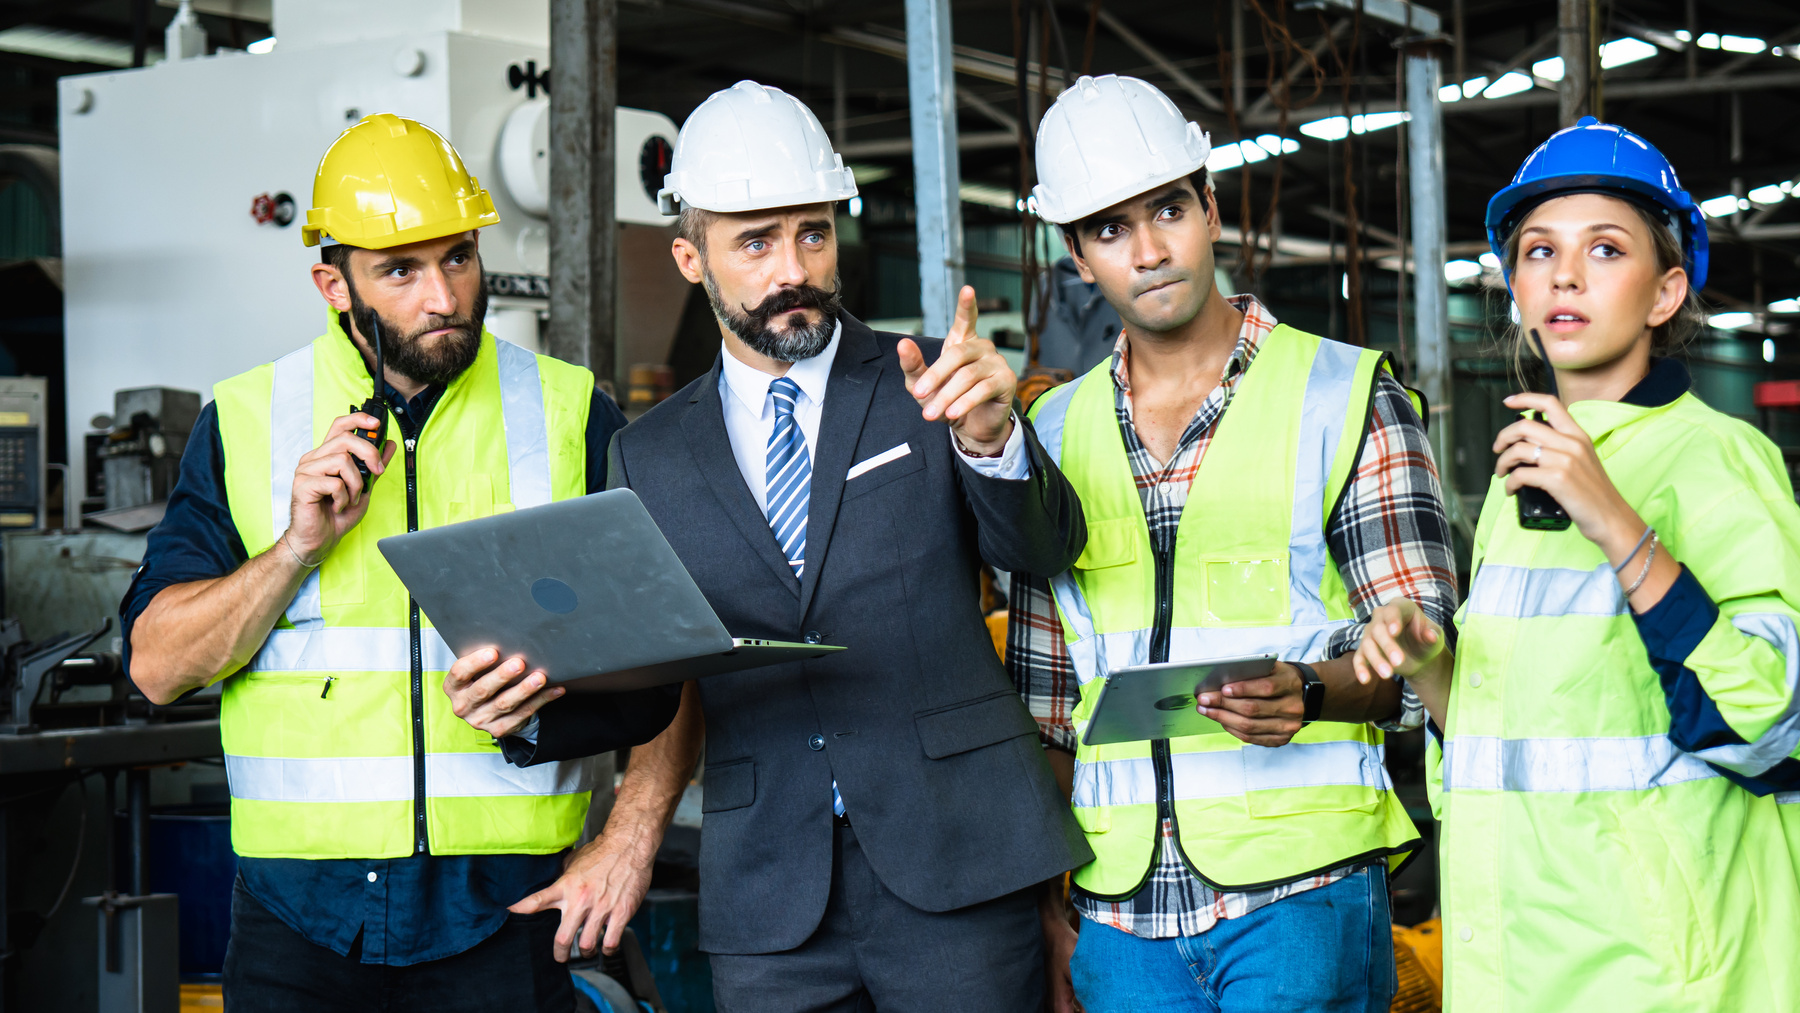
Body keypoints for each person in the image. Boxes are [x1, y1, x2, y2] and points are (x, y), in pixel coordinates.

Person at [501, 80, 1091, 1013]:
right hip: (771, 898)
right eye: (755, 242)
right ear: (691, 258)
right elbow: (654, 680)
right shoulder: (647, 455)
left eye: (812, 233)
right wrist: (533, 701)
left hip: (961, 868)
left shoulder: (930, 381)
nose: (794, 268)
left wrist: (992, 438)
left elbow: (1043, 554)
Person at [123, 114, 679, 1012]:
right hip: (297, 923)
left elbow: (680, 653)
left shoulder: (570, 413)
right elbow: (155, 667)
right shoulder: (248, 419)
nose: (443, 297)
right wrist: (294, 550)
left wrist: (629, 837)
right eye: (401, 270)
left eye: (458, 257)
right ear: (332, 284)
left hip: (511, 911)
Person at [1012, 75, 1458, 1013]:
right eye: (1109, 228)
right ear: (1077, 258)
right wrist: (1044, 908)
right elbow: (1048, 710)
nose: (1149, 250)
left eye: (1168, 208)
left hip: (1301, 896)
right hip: (1121, 918)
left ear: (1211, 209)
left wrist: (1310, 689)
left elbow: (1425, 652)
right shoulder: (1050, 433)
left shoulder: (1343, 393)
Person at [1355, 117, 1800, 1011]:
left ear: (1667, 290)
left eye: (1604, 248)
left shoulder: (1722, 458)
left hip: (1660, 973)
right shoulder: (1532, 470)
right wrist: (1429, 660)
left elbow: (1767, 726)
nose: (1563, 273)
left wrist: (1616, 522)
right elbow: (1506, 745)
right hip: (1521, 961)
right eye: (1537, 251)